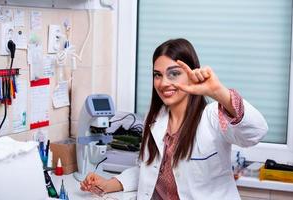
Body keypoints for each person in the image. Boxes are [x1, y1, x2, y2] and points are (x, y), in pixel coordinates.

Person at [80, 38, 268, 199]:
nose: (164, 83)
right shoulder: (154, 119)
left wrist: (219, 93)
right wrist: (109, 184)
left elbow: (256, 131)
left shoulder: (211, 117)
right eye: (157, 75)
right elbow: (147, 171)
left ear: (192, 74)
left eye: (174, 73)